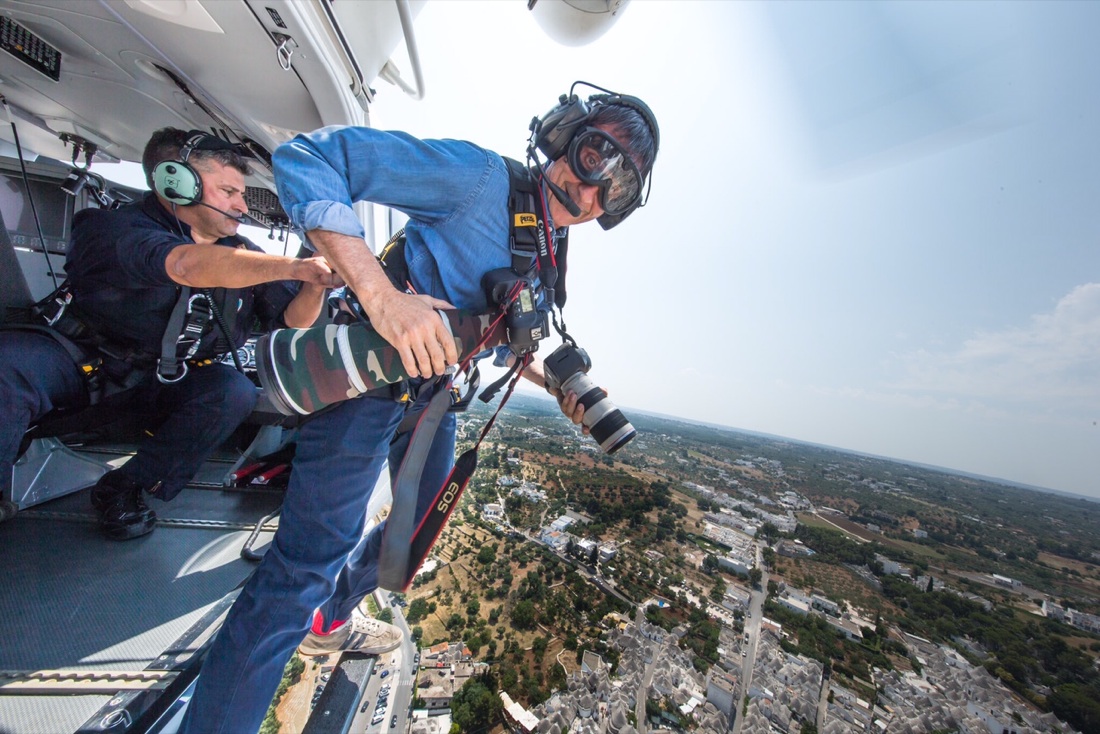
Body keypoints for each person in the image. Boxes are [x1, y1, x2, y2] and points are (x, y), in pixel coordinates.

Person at [180, 85, 658, 734]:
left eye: (620, 186)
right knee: (307, 565)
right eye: (599, 152)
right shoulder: (480, 179)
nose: (596, 185)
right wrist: (379, 294)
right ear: (565, 134)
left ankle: (331, 616)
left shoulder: (547, 254)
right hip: (368, 382)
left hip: (437, 394)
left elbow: (494, 335)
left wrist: (560, 388)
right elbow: (309, 158)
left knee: (411, 541)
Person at [0, 127, 341, 540]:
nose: (241, 205)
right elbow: (182, 265)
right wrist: (291, 266)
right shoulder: (113, 229)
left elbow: (293, 322)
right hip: (75, 369)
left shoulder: (246, 253)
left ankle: (123, 490)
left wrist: (313, 284)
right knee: (7, 367)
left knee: (232, 390)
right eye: (229, 191)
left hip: (155, 386)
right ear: (175, 184)